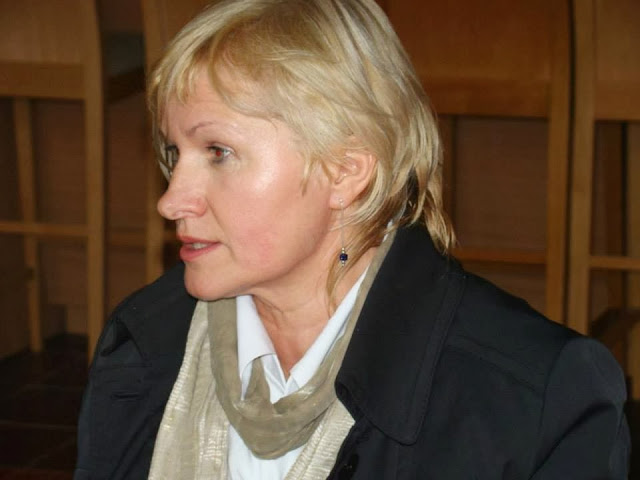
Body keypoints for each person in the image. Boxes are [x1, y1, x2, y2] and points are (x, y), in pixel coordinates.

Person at [74, 0, 630, 478]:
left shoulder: (534, 397)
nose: (171, 200)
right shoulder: (144, 345)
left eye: (218, 151)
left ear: (344, 171)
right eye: (175, 153)